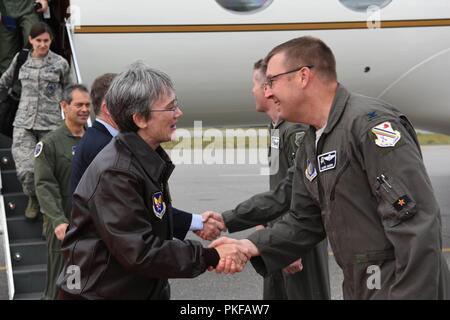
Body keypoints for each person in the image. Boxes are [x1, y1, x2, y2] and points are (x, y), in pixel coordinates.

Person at [211, 36, 450, 299]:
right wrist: (249, 245)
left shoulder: (370, 126)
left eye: (271, 82)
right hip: (362, 283)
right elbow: (304, 221)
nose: (267, 92)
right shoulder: (312, 142)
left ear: (303, 76)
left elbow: (416, 224)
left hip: (399, 285)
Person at [56, 62, 250, 300]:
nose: (178, 113)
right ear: (140, 119)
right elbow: (139, 251)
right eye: (170, 108)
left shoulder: (143, 160)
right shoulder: (117, 172)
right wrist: (210, 255)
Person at [217, 59, 330, 300]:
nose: (253, 90)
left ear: (268, 89)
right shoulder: (276, 128)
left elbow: (305, 191)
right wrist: (265, 223)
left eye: (255, 84)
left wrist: (291, 247)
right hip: (277, 235)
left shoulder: (295, 131)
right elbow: (281, 188)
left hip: (297, 238)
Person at [70, 73, 223, 240]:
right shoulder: (108, 152)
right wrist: (206, 251)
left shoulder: (111, 143)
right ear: (109, 108)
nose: (178, 112)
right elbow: (135, 243)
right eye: (127, 102)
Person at [0, 21, 71, 220]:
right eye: (38, 40)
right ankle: (33, 198)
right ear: (30, 40)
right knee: (26, 169)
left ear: (51, 41)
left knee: (48, 171)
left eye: (46, 41)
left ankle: (50, 209)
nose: (42, 45)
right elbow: (4, 82)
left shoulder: (60, 64)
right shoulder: (21, 59)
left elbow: (70, 91)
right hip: (24, 123)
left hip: (51, 127)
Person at [34, 84, 90, 300]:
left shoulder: (94, 141)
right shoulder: (49, 144)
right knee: (60, 284)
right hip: (64, 226)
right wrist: (57, 220)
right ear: (64, 106)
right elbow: (45, 185)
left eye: (88, 105)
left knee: (88, 283)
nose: (85, 109)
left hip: (91, 225)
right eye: (79, 105)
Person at [0, 0, 48, 76]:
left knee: (34, 41)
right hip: (6, 10)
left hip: (29, 8)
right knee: (6, 51)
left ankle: (35, 79)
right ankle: (8, 84)